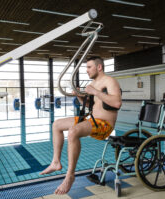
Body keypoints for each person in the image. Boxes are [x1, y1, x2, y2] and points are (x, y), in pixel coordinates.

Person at [40, 56, 122, 194]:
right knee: (57, 125)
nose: (86, 70)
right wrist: (79, 95)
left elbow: (117, 103)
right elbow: (92, 105)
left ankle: (70, 176)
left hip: (105, 125)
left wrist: (95, 92)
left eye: (89, 67)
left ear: (99, 67)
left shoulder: (110, 81)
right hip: (92, 120)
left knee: (73, 131)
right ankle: (55, 162)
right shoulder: (94, 83)